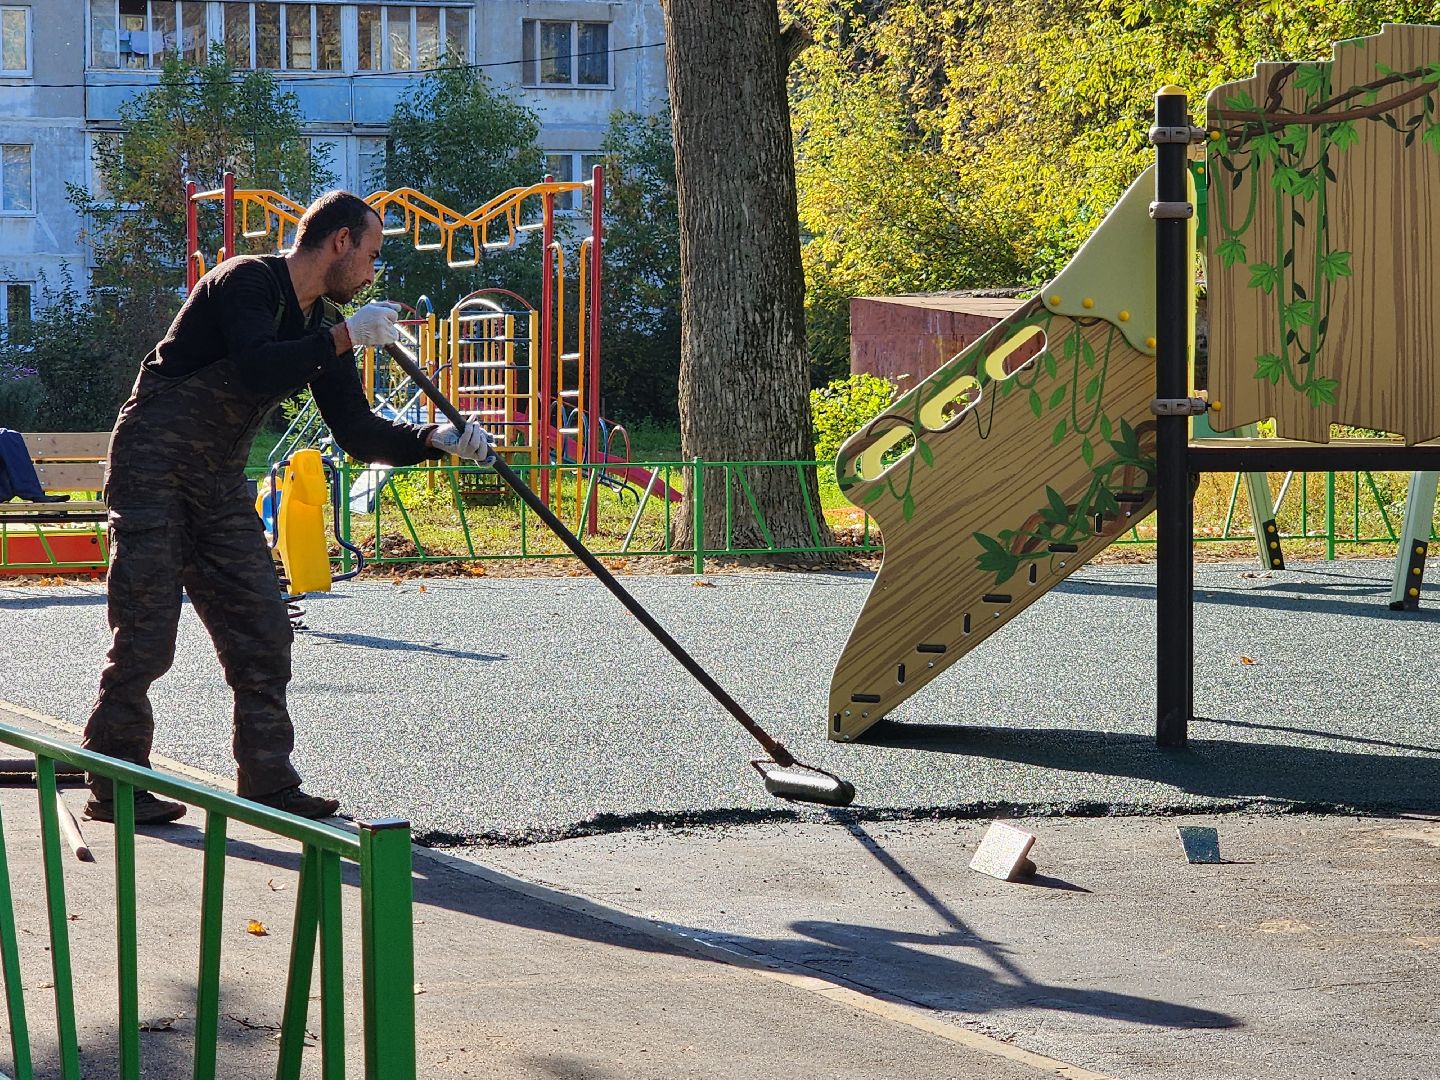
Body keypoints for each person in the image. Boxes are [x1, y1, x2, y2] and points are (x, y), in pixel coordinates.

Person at [83, 190, 492, 824]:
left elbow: (355, 431)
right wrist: (345, 335)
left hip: (216, 481)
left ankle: (268, 782)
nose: (373, 272)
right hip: (151, 469)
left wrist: (435, 442)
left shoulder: (320, 324)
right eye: (373, 255)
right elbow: (254, 369)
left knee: (264, 628)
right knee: (145, 633)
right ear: (340, 243)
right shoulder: (246, 281)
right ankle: (115, 781)